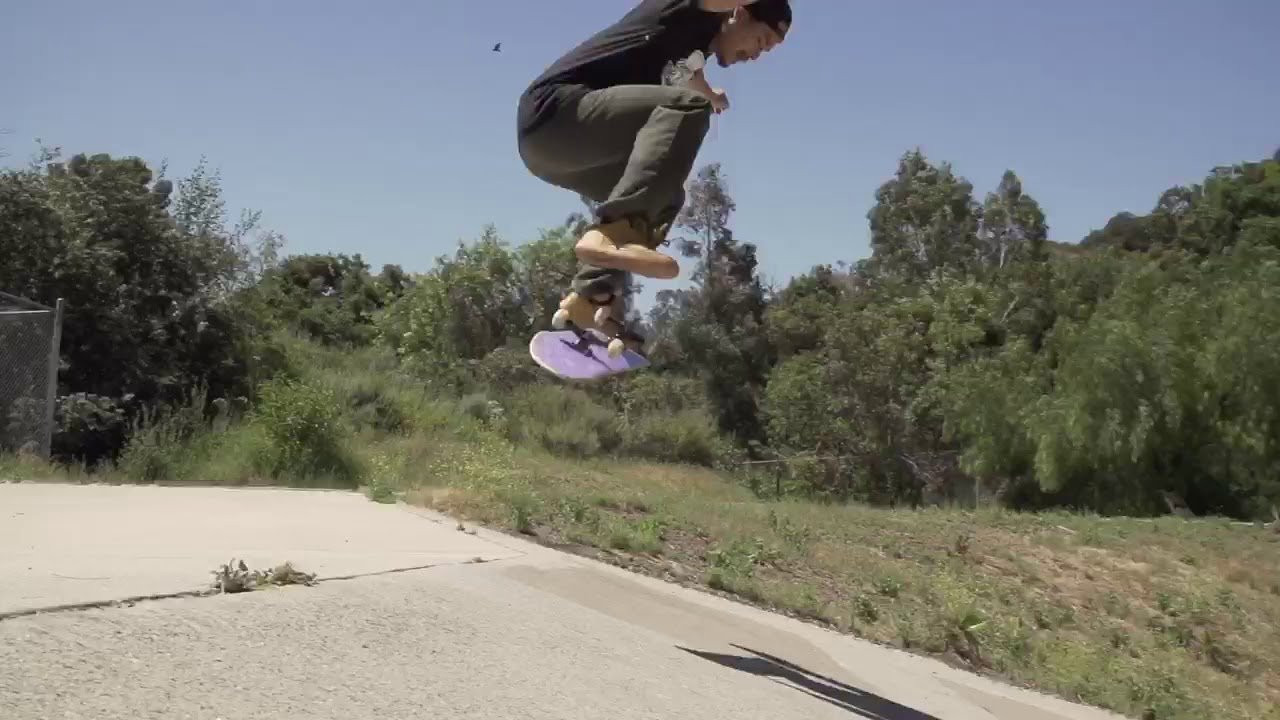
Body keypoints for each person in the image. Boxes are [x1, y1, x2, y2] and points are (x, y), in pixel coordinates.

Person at [516, 0, 792, 355]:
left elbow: (690, 74)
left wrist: (710, 93)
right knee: (686, 108)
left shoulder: (691, 52)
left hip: (561, 156)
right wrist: (703, 100)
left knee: (665, 191)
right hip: (555, 113)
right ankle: (610, 239)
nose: (757, 55)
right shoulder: (688, 10)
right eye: (761, 41)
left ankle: (589, 297)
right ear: (739, 11)